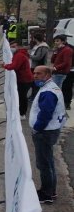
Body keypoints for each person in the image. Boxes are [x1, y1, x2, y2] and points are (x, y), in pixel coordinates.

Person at [29, 66, 67, 204]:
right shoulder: (51, 87)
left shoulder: (49, 92)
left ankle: (47, 194)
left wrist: (37, 128)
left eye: (39, 73)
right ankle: (50, 191)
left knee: (44, 163)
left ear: (47, 75)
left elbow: (45, 114)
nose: (35, 76)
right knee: (48, 162)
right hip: (50, 130)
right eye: (34, 73)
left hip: (45, 132)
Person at [0, 40, 34, 119]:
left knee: (22, 96)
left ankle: (22, 114)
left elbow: (14, 66)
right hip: (24, 78)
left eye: (14, 47)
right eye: (11, 47)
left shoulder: (20, 55)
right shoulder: (20, 53)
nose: (12, 48)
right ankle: (20, 111)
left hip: (24, 79)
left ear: (19, 46)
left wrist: (5, 66)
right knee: (21, 96)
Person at [29, 33, 50, 101]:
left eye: (33, 38)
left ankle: (35, 96)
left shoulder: (43, 47)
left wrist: (29, 56)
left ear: (35, 38)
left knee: (36, 83)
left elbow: (38, 57)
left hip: (38, 67)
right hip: (34, 66)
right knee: (33, 82)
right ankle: (33, 95)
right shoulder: (37, 45)